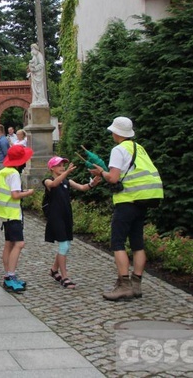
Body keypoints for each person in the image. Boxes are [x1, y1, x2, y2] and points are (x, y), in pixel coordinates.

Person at [89, 116, 163, 301]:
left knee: (118, 242)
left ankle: (124, 285)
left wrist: (101, 173)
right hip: (144, 199)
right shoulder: (139, 148)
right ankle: (136, 284)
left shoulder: (118, 149)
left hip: (128, 199)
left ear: (116, 133)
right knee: (137, 242)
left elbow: (113, 178)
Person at [44, 157, 100, 289]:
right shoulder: (48, 180)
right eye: (59, 165)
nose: (62, 167)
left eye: (63, 165)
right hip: (55, 217)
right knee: (63, 245)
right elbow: (53, 185)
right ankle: (65, 277)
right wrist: (67, 172)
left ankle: (53, 270)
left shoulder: (66, 181)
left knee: (66, 245)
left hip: (66, 217)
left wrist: (93, 184)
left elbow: (82, 187)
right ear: (51, 168)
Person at [0, 144, 34, 293]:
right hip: (13, 214)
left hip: (5, 214)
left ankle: (7, 275)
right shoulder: (14, 174)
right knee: (19, 244)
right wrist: (28, 193)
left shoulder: (3, 171)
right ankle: (11, 276)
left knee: (9, 244)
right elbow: (15, 195)